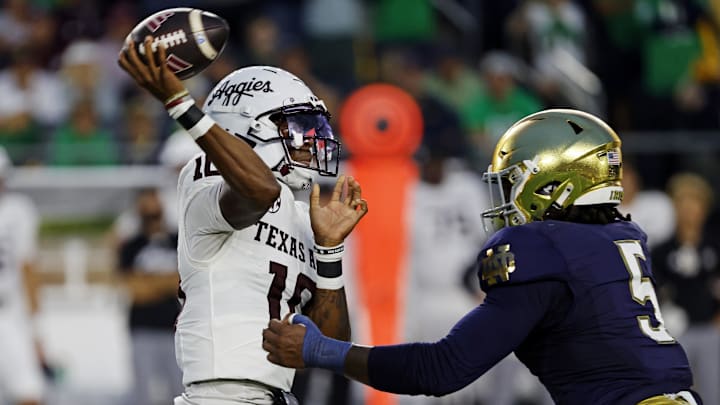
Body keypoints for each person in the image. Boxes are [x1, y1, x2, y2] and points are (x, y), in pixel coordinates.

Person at [263, 109, 702, 405]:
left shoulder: (543, 247)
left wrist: (323, 351)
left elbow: (441, 369)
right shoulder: (621, 235)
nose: (506, 196)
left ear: (553, 184)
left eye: (513, 181)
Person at [118, 37, 368, 405]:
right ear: (252, 128)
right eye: (298, 126)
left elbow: (331, 346)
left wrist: (330, 251)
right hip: (221, 396)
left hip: (277, 395)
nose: (312, 139)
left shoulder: (301, 213)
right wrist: (181, 103)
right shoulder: (203, 176)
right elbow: (259, 192)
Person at [651, 173, 720, 405]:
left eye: (695, 203)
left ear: (704, 207)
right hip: (676, 333)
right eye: (683, 203)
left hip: (711, 328)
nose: (689, 210)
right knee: (675, 393)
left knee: (714, 391)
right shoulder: (661, 251)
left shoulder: (714, 246)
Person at [117, 188, 183, 405]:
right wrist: (167, 282)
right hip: (142, 328)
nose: (153, 218)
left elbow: (184, 283)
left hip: (176, 330)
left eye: (156, 212)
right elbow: (134, 289)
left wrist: (149, 281)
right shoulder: (131, 245)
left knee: (181, 393)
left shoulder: (178, 240)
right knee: (143, 395)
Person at [0, 145, 44, 405]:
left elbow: (27, 268)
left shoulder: (18, 210)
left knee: (29, 392)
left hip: (8, 309)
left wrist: (36, 329)